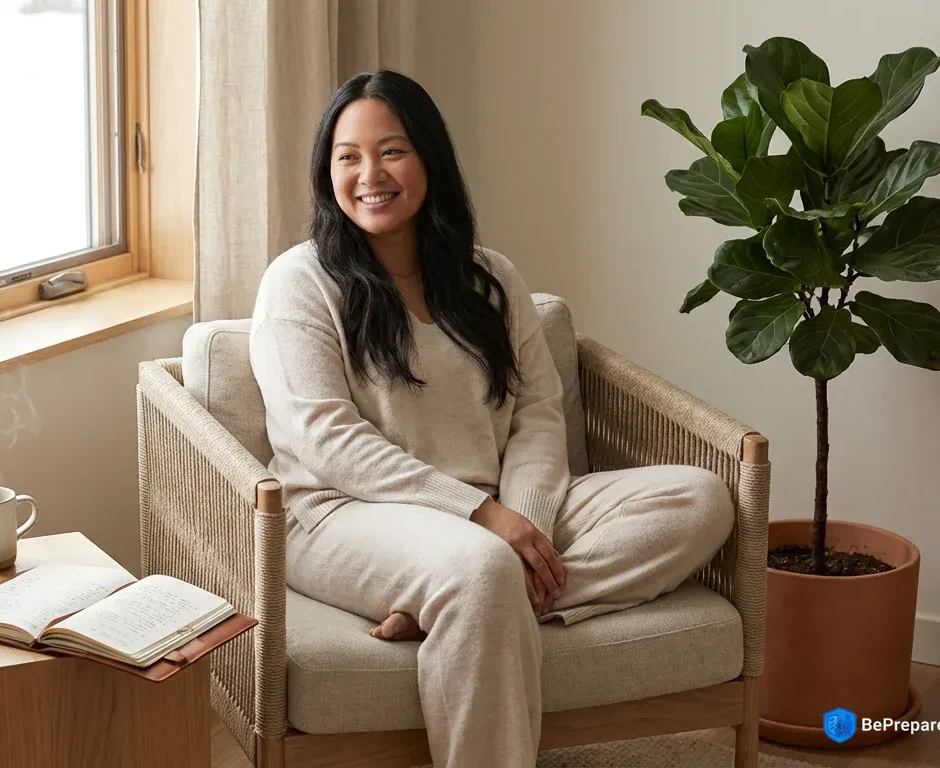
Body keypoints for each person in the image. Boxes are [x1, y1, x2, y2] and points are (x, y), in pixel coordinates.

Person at [247, 69, 734, 768]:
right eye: (347, 156)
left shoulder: (491, 278)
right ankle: (475, 594)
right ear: (328, 173)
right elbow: (327, 441)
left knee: (699, 497)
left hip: (495, 510)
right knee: (479, 570)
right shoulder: (298, 282)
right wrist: (482, 518)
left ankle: (468, 606)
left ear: (430, 159)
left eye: (392, 151)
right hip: (340, 513)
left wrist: (522, 521)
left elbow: (538, 415)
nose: (369, 175)